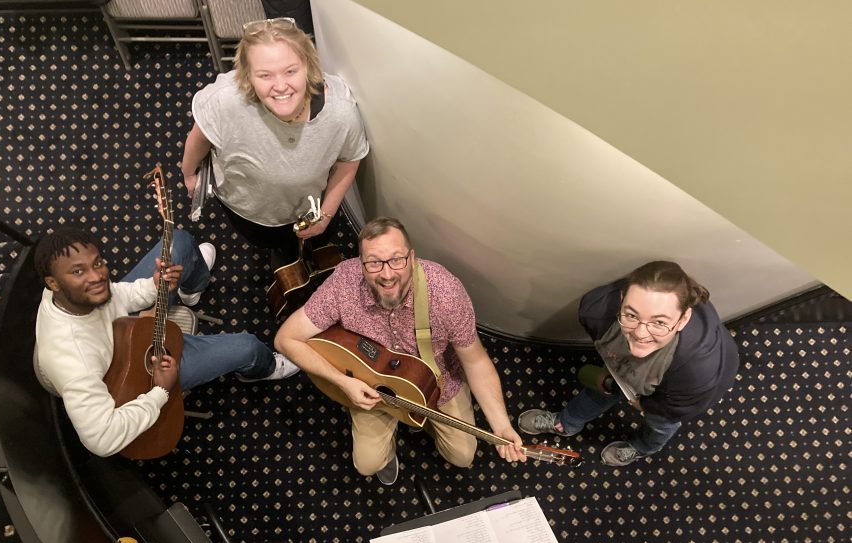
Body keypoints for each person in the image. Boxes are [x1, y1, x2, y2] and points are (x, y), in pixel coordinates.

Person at [274, 217, 526, 485]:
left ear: (412, 257)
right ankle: (390, 443)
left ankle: (419, 419)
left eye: (397, 259)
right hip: (372, 386)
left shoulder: (445, 294)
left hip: (436, 383)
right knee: (366, 465)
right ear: (361, 264)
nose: (386, 274)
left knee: (462, 456)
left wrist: (501, 425)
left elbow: (475, 362)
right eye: (374, 262)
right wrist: (344, 383)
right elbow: (286, 339)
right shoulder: (344, 284)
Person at [33, 226, 299, 457]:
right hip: (121, 373)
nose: (97, 277)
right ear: (52, 283)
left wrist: (154, 286)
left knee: (179, 243)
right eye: (79, 271)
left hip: (121, 332)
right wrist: (159, 392)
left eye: (98, 262)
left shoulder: (81, 293)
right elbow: (102, 439)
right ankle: (262, 369)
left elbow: (117, 297)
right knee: (248, 347)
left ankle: (191, 289)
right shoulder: (74, 359)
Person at [180, 17, 369, 266]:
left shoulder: (341, 113)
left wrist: (325, 216)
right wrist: (189, 173)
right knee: (272, 244)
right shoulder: (223, 100)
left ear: (309, 66)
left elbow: (349, 160)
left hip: (308, 206)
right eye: (265, 75)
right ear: (247, 76)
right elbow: (200, 136)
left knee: (318, 242)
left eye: (290, 71)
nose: (280, 87)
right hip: (246, 208)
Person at [518, 261, 739, 466]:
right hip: (628, 371)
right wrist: (620, 382)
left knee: (659, 424)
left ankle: (642, 447)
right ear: (622, 299)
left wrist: (643, 404)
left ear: (683, 320)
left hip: (679, 391)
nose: (640, 334)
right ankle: (567, 423)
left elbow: (672, 409)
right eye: (631, 315)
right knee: (601, 388)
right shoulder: (595, 311)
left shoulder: (697, 371)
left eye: (659, 322)